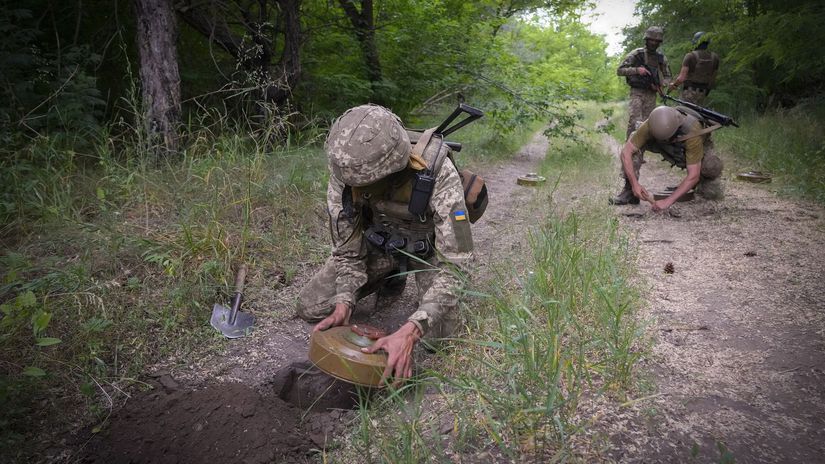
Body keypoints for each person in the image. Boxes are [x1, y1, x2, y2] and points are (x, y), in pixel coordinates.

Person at [296, 104, 473, 385]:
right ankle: (390, 276)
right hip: (380, 246)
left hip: (428, 254)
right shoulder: (345, 172)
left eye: (366, 182)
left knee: (440, 340)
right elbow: (347, 250)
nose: (355, 188)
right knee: (312, 305)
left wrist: (413, 329)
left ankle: (404, 279)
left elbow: (457, 263)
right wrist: (344, 299)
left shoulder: (438, 171)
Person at [618, 105, 725, 211]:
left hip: (685, 150)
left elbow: (693, 175)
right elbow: (626, 152)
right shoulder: (651, 123)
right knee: (633, 141)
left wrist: (667, 201)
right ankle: (629, 191)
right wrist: (634, 184)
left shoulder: (693, 131)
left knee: (711, 166)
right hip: (663, 146)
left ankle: (702, 188)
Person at [612, 26, 672, 205]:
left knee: (645, 137)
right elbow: (620, 70)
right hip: (637, 95)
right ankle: (628, 188)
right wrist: (637, 70)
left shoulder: (661, 58)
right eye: (651, 40)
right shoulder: (636, 54)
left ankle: (632, 189)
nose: (653, 43)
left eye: (656, 41)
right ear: (646, 40)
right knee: (633, 136)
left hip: (651, 98)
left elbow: (668, 77)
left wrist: (660, 84)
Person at [668, 32, 720, 106]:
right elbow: (713, 79)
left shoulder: (690, 56)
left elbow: (681, 78)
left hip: (688, 93)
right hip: (703, 93)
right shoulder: (715, 58)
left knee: (681, 114)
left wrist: (673, 85)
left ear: (695, 42)